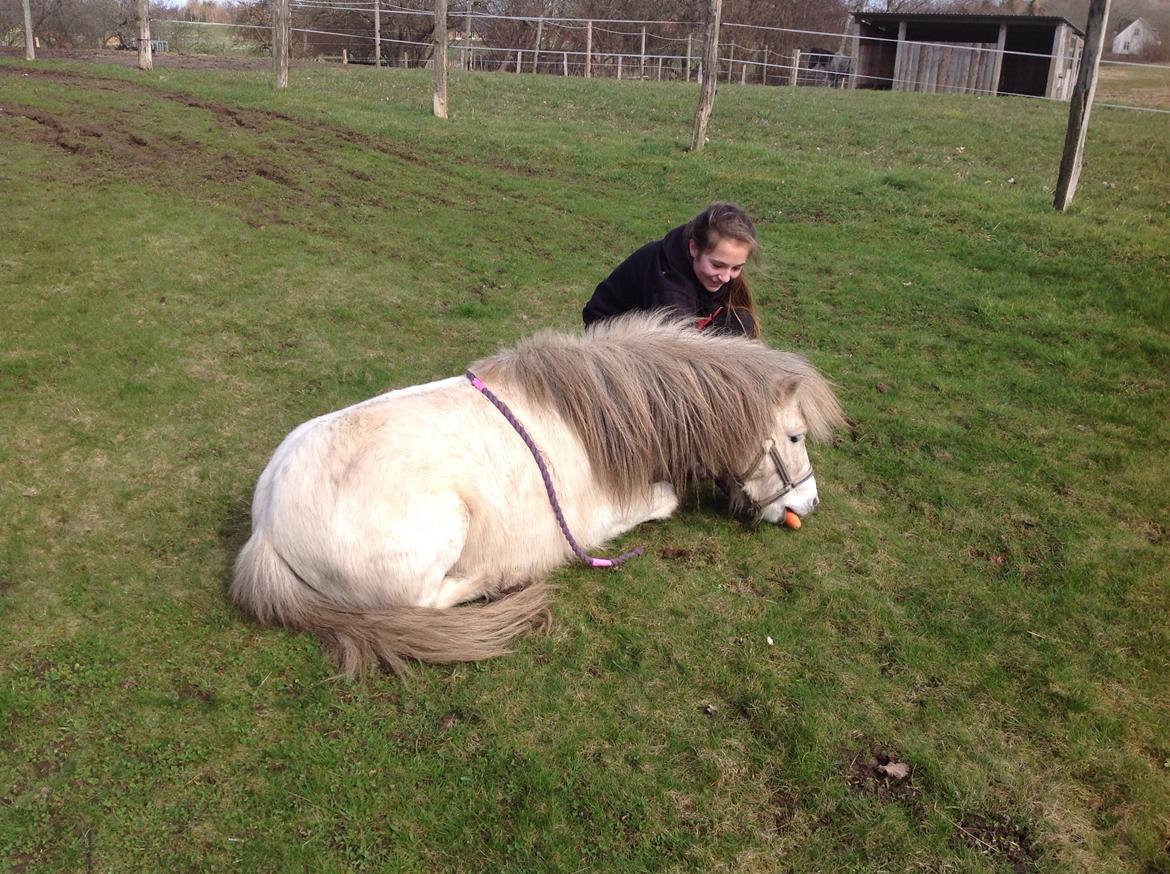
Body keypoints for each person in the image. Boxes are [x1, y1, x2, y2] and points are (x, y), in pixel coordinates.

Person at [582, 202, 762, 338]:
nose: (725, 277)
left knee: (739, 322)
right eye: (717, 265)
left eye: (737, 268)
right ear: (694, 248)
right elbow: (678, 352)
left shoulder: (707, 255)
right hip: (610, 335)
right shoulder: (669, 291)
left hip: (667, 323)